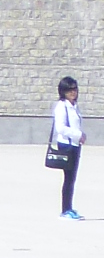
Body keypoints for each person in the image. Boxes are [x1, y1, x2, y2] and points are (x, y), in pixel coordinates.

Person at [51, 75, 85, 219]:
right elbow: (60, 128)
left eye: (75, 89)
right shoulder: (61, 106)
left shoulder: (73, 106)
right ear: (63, 91)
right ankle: (65, 210)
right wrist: (78, 134)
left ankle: (69, 207)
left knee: (72, 179)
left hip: (75, 145)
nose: (73, 92)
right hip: (67, 145)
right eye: (69, 90)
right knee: (68, 178)